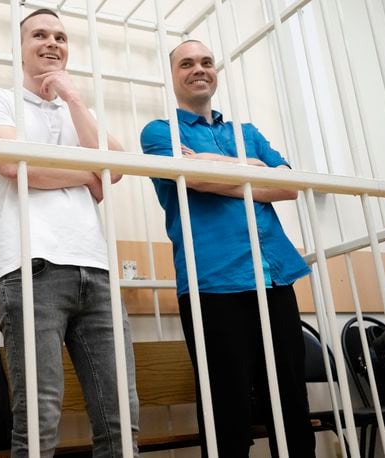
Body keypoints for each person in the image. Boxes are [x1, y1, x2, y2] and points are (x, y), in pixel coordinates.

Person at [0, 8, 140, 457]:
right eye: (39, 35)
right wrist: (89, 174)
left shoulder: (76, 110)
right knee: (39, 419)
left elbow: (118, 168)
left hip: (98, 271)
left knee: (121, 416)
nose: (52, 43)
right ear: (19, 47)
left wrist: (75, 99)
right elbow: (15, 166)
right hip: (32, 267)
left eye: (61, 37)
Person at [140, 40, 315, 457]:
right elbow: (195, 181)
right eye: (187, 63)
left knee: (290, 402)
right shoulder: (159, 131)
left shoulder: (246, 133)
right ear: (173, 75)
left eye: (206, 62)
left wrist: (208, 163)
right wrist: (254, 172)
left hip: (274, 273)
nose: (198, 69)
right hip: (213, 282)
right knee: (227, 411)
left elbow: (289, 184)